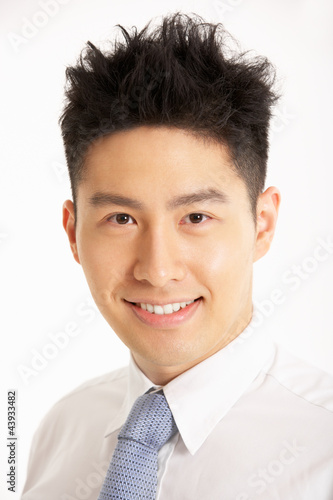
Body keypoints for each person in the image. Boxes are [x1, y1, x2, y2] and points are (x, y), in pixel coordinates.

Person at [22, 12, 333, 500]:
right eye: (122, 219)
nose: (158, 270)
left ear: (263, 224)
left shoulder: (322, 450)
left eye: (196, 217)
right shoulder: (58, 433)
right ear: (73, 233)